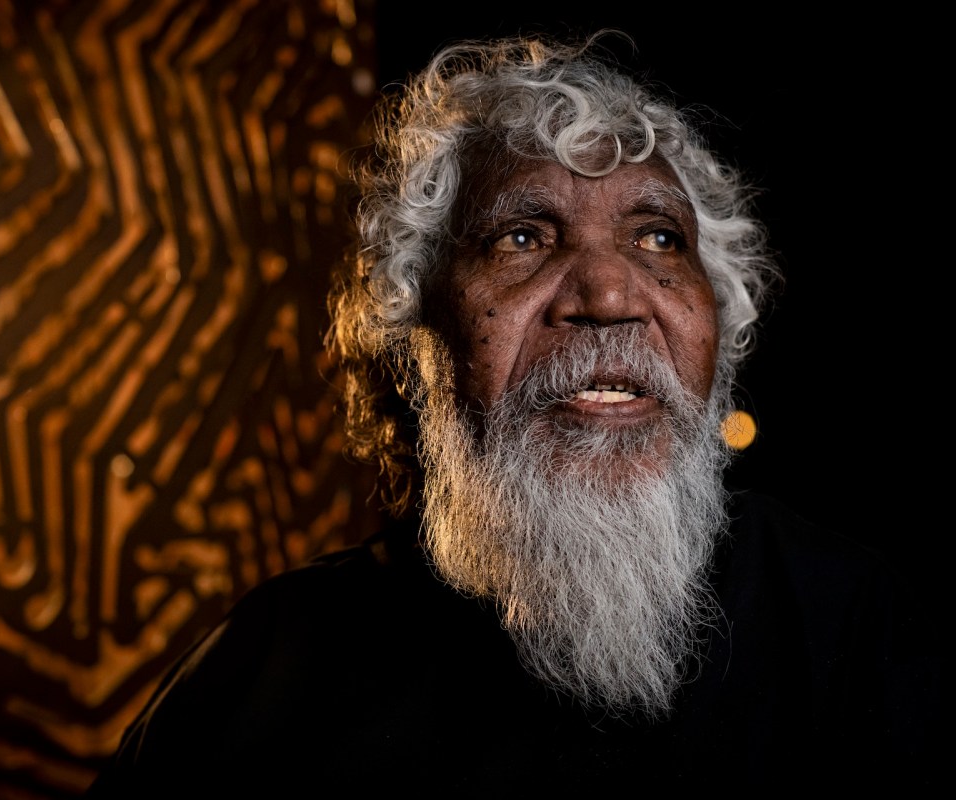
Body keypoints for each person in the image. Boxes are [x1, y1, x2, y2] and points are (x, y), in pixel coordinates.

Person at [85, 31, 938, 793]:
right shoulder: (267, 673)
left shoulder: (848, 622)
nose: (610, 294)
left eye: (658, 237)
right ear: (415, 334)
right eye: (522, 237)